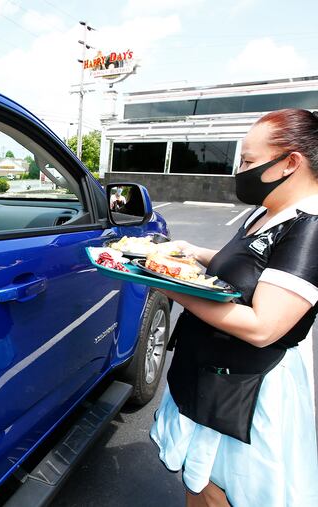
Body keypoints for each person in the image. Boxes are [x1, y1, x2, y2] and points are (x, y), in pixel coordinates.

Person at [151, 108, 318, 506]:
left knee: (220, 492)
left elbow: (263, 326)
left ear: (290, 162)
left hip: (247, 388)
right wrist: (194, 252)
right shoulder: (270, 212)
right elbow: (247, 268)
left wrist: (165, 284)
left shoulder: (310, 226)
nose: (239, 170)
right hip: (212, 372)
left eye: (248, 160)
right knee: (201, 485)